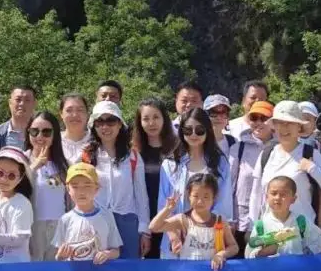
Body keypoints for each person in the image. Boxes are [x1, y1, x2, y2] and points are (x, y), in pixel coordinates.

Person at [157, 108, 234, 256]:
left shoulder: (220, 163)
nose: (193, 135)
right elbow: (163, 205)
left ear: (208, 131)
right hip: (175, 240)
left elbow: (223, 204)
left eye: (199, 130)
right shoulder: (170, 164)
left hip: (208, 240)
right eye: (188, 130)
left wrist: (205, 229)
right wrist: (174, 236)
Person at [249, 101, 321, 225]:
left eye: (290, 123)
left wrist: (312, 168)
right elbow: (256, 194)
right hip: (270, 231)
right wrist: (254, 226)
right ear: (274, 126)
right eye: (280, 122)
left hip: (302, 231)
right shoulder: (267, 154)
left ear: (299, 127)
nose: (284, 128)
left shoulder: (311, 154)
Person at [81, 101, 151, 259]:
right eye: (99, 122)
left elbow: (141, 196)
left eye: (111, 121)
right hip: (96, 221)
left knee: (128, 269)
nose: (105, 127)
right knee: (97, 267)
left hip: (127, 222)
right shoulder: (86, 156)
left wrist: (144, 231)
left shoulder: (132, 156)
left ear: (120, 124)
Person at [131, 99, 177, 259]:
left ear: (164, 118)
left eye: (156, 117)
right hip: (143, 219)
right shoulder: (133, 152)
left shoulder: (177, 149)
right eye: (146, 118)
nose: (151, 123)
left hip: (170, 217)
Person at [232, 101, 275, 250]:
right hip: (241, 220)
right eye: (254, 118)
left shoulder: (281, 147)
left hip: (272, 219)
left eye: (263, 118)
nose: (258, 122)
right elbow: (229, 185)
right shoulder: (238, 147)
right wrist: (229, 219)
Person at [26, 111, 69, 262]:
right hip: (33, 227)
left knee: (55, 270)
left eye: (46, 132)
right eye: (34, 131)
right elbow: (14, 187)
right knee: (34, 270)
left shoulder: (64, 164)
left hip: (59, 226)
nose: (39, 136)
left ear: (55, 134)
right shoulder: (21, 160)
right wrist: (34, 167)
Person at [0, 86, 37, 151]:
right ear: (10, 103)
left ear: (34, 103)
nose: (22, 104)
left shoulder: (45, 134)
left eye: (27, 100)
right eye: (18, 100)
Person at [59, 93, 91, 165]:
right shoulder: (53, 141)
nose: (75, 115)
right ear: (61, 114)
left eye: (80, 110)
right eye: (69, 110)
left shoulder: (97, 140)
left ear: (87, 114)